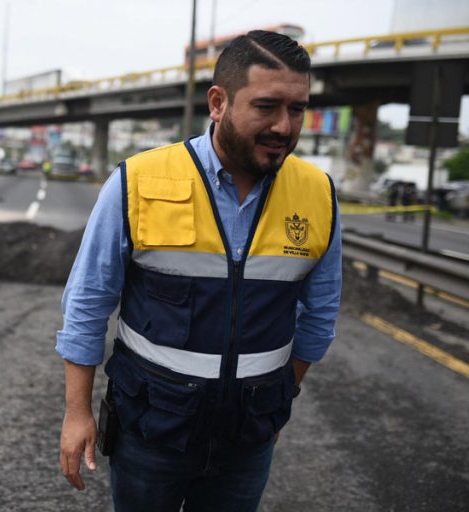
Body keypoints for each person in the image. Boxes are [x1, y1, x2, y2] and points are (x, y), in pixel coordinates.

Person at [56, 30, 342, 512]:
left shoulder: (318, 192)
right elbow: (88, 301)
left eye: (297, 109)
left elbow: (320, 315)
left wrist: (272, 403)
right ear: (218, 102)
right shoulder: (138, 180)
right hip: (151, 432)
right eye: (267, 106)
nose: (284, 125)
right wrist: (76, 412)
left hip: (247, 442)